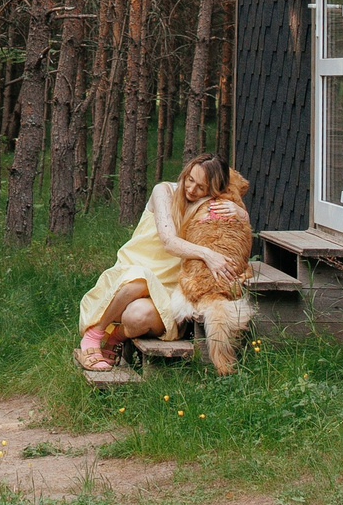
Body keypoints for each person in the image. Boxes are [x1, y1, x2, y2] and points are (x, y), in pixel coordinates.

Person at [75, 153, 246, 371]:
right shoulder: (164, 191)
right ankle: (94, 335)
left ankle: (116, 338)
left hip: (168, 288)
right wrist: (207, 254)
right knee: (140, 279)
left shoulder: (209, 204)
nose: (191, 189)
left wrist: (240, 212)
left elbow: (238, 226)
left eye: (201, 187)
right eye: (190, 179)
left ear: (213, 190)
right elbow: (168, 241)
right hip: (135, 271)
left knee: (138, 316)